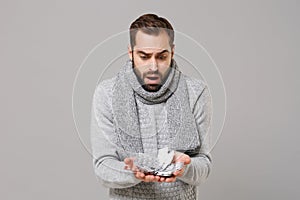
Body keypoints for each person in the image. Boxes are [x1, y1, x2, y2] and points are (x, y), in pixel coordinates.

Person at [90, 13, 212, 200]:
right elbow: (103, 167)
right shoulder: (107, 93)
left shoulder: (196, 92)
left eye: (162, 57)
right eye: (144, 56)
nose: (153, 66)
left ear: (172, 52)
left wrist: (184, 167)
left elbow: (203, 166)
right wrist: (133, 172)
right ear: (131, 53)